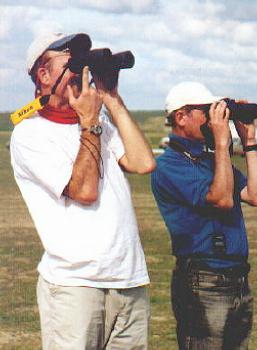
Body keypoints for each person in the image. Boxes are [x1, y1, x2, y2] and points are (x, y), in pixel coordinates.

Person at [10, 32, 156, 349]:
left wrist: (111, 98)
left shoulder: (98, 119)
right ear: (43, 74)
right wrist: (90, 120)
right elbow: (85, 191)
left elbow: (143, 163)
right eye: (71, 61)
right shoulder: (30, 134)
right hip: (75, 285)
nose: (80, 72)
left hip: (128, 278)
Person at [151, 82, 257, 349]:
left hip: (236, 276)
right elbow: (223, 200)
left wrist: (249, 143)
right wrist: (221, 143)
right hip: (203, 279)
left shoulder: (208, 160)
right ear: (181, 117)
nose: (214, 119)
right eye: (207, 111)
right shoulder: (170, 165)